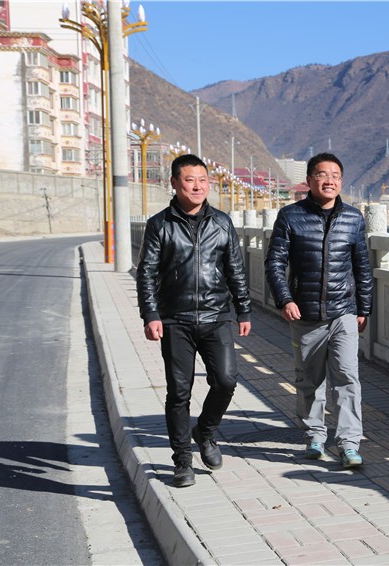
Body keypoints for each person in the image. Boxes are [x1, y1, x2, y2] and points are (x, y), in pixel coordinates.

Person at [136, 154, 252, 488]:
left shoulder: (222, 223)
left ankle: (206, 431)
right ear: (175, 183)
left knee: (226, 380)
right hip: (176, 319)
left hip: (216, 316)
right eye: (189, 180)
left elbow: (235, 268)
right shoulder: (160, 224)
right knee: (179, 392)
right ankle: (182, 461)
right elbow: (147, 272)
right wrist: (151, 314)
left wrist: (243, 309)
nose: (197, 186)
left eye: (202, 180)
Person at [265, 152, 373, 468]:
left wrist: (364, 308)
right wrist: (285, 299)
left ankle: (349, 444)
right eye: (323, 175)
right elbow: (275, 262)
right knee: (309, 380)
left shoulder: (353, 218)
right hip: (305, 313)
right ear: (309, 180)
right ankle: (314, 435)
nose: (330, 181)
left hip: (344, 312)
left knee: (347, 378)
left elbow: (362, 266)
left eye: (335, 175)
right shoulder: (290, 216)